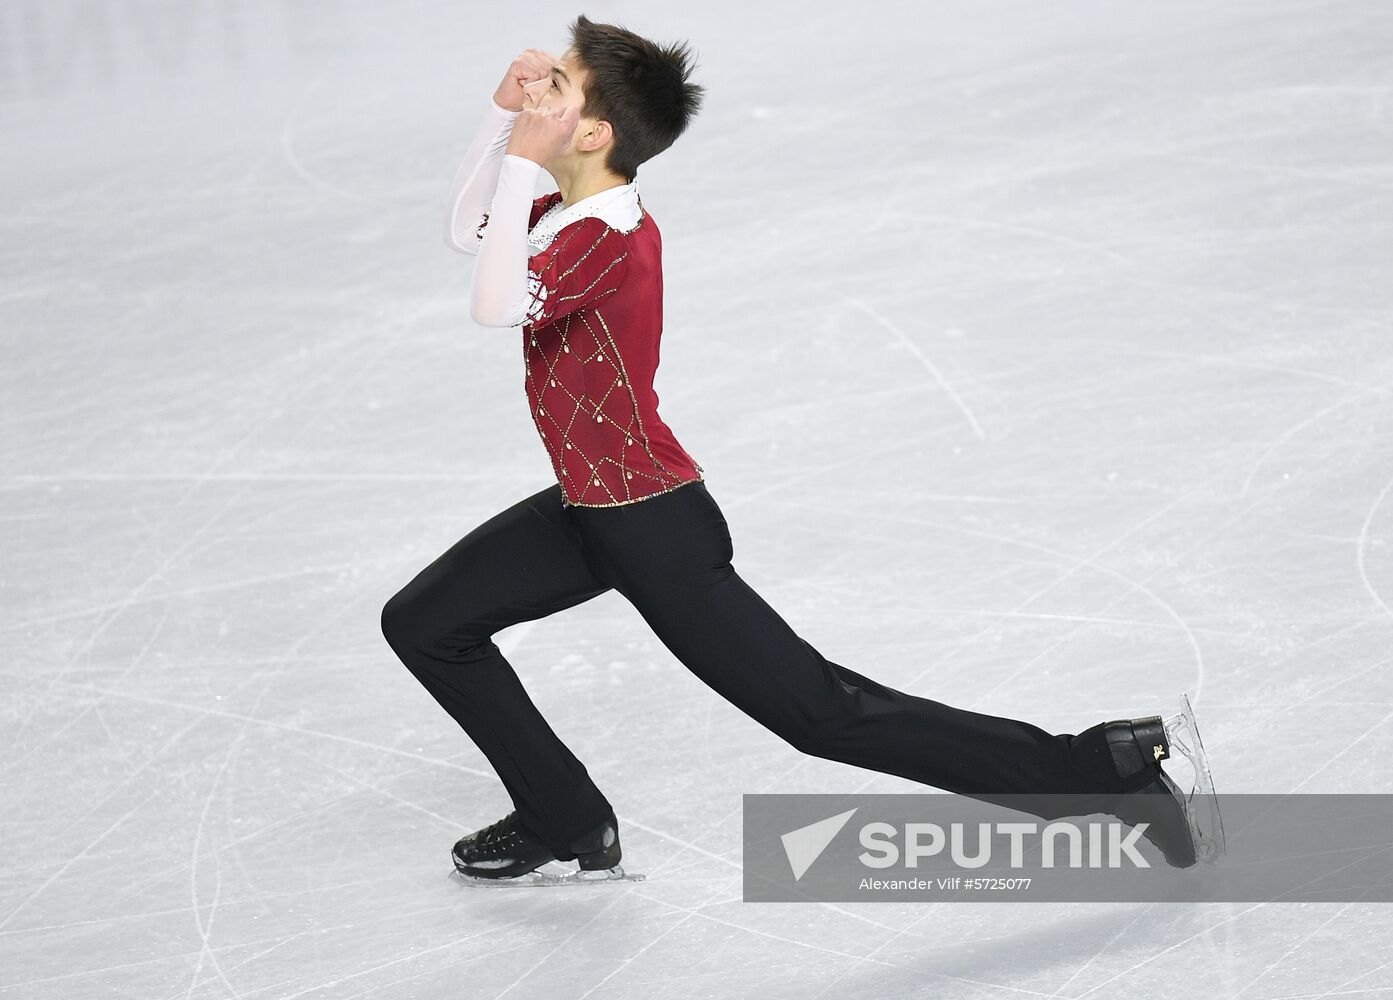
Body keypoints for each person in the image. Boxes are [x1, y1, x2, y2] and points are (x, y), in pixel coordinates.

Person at [380, 14, 1223, 886]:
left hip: (650, 526)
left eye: (554, 86)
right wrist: (501, 117)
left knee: (822, 716)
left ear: (592, 133)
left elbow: (494, 304)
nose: (535, 91)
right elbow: (471, 234)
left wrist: (520, 154)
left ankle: (1092, 771)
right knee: (426, 625)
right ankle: (565, 816)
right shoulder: (570, 210)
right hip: (592, 510)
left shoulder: (607, 236)